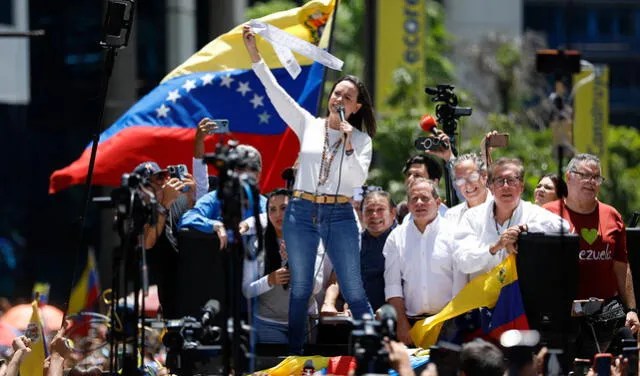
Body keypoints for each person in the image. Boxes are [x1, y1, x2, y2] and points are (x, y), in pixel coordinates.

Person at [243, 25, 376, 354]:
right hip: (301, 210)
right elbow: (276, 94)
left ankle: (380, 351)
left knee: (353, 288)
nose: (339, 99)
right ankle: (295, 357)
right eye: (337, 93)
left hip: (339, 211)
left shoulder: (360, 140)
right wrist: (254, 52)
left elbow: (357, 180)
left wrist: (347, 141)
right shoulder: (309, 125)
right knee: (301, 287)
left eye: (347, 96)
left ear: (357, 107)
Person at [543, 154, 639, 352]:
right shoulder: (547, 214)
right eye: (585, 175)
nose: (591, 182)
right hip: (560, 315)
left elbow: (621, 266)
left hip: (605, 317)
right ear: (568, 177)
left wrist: (631, 310)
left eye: (596, 177)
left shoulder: (612, 215)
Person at [453, 158, 569, 280]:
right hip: (483, 296)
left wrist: (524, 229)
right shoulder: (472, 217)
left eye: (512, 180)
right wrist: (495, 247)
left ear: (521, 187)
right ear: (491, 187)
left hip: (520, 296)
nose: (506, 186)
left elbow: (563, 226)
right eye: (499, 181)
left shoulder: (532, 212)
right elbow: (463, 262)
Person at [384, 178, 466, 345]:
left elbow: (461, 286)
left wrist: (451, 324)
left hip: (450, 323)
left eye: (425, 198)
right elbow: (393, 286)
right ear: (408, 204)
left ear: (437, 202)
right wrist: (401, 324)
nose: (419, 203)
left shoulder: (455, 233)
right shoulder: (396, 237)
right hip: (411, 324)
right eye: (414, 199)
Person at [242, 189, 326, 343]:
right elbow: (247, 290)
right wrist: (269, 280)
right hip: (267, 324)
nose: (278, 215)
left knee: (304, 367)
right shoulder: (256, 244)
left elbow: (316, 288)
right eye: (272, 210)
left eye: (283, 208)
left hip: (303, 321)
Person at [321, 190, 397, 315]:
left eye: (380, 209)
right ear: (361, 215)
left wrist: (389, 308)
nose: (374, 215)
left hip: (395, 317)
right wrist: (328, 304)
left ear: (393, 213)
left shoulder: (402, 240)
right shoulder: (354, 242)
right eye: (369, 210)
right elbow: (336, 279)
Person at [136, 161, 196, 319]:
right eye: (157, 179)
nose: (163, 183)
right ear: (143, 188)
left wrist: (192, 199)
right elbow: (147, 243)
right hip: (168, 293)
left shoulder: (175, 203)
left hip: (191, 283)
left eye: (164, 177)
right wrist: (163, 205)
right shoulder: (138, 213)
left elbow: (193, 225)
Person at [180, 144, 267, 249]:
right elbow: (186, 218)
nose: (236, 173)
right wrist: (214, 225)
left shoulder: (267, 205)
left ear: (257, 175)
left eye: (243, 168)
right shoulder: (214, 198)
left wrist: (247, 225)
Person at [444, 153, 492, 224]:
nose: (468, 185)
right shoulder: (451, 216)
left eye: (472, 177)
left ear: (484, 176)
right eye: (460, 180)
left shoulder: (504, 207)